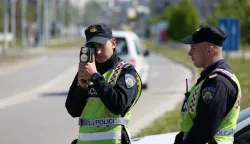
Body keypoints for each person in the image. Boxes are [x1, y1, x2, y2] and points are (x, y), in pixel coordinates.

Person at [65, 23, 142, 144]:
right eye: (93, 47)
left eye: (101, 45)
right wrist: (82, 88)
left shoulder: (125, 71)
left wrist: (95, 77)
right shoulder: (86, 71)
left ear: (113, 43)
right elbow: (73, 111)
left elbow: (118, 106)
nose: (98, 52)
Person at [174, 25, 242, 144]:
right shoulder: (210, 78)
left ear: (209, 50)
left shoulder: (218, 82)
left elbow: (203, 131)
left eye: (193, 48)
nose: (189, 53)